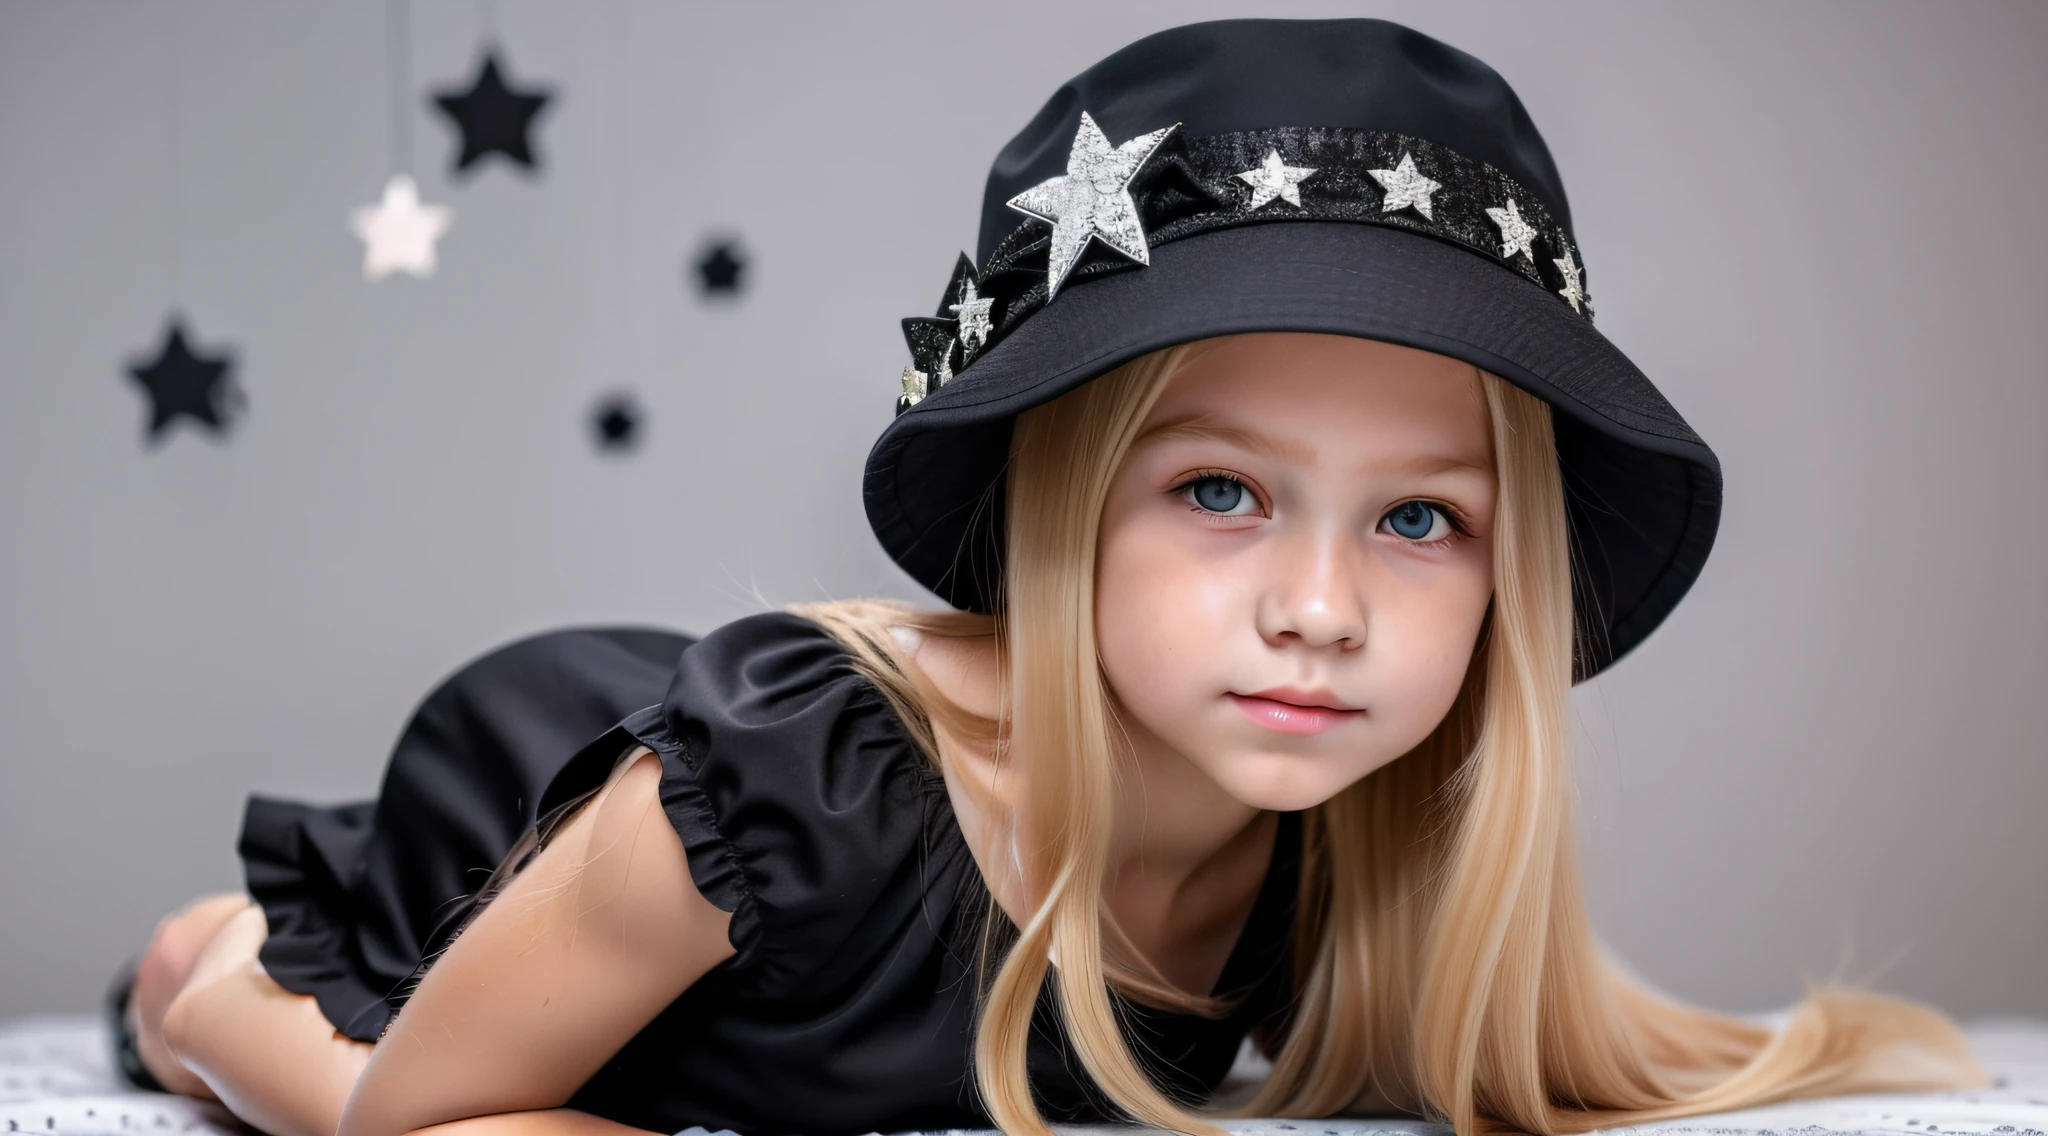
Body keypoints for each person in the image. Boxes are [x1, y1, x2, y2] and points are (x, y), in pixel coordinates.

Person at [111, 18, 1984, 1136]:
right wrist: (230, 1017)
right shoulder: (781, 806)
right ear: (1060, 508)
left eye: (1421, 522)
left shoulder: (1333, 825)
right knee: (306, 1050)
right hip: (516, 842)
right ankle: (199, 971)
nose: (1323, 609)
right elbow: (408, 1122)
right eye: (1226, 490)